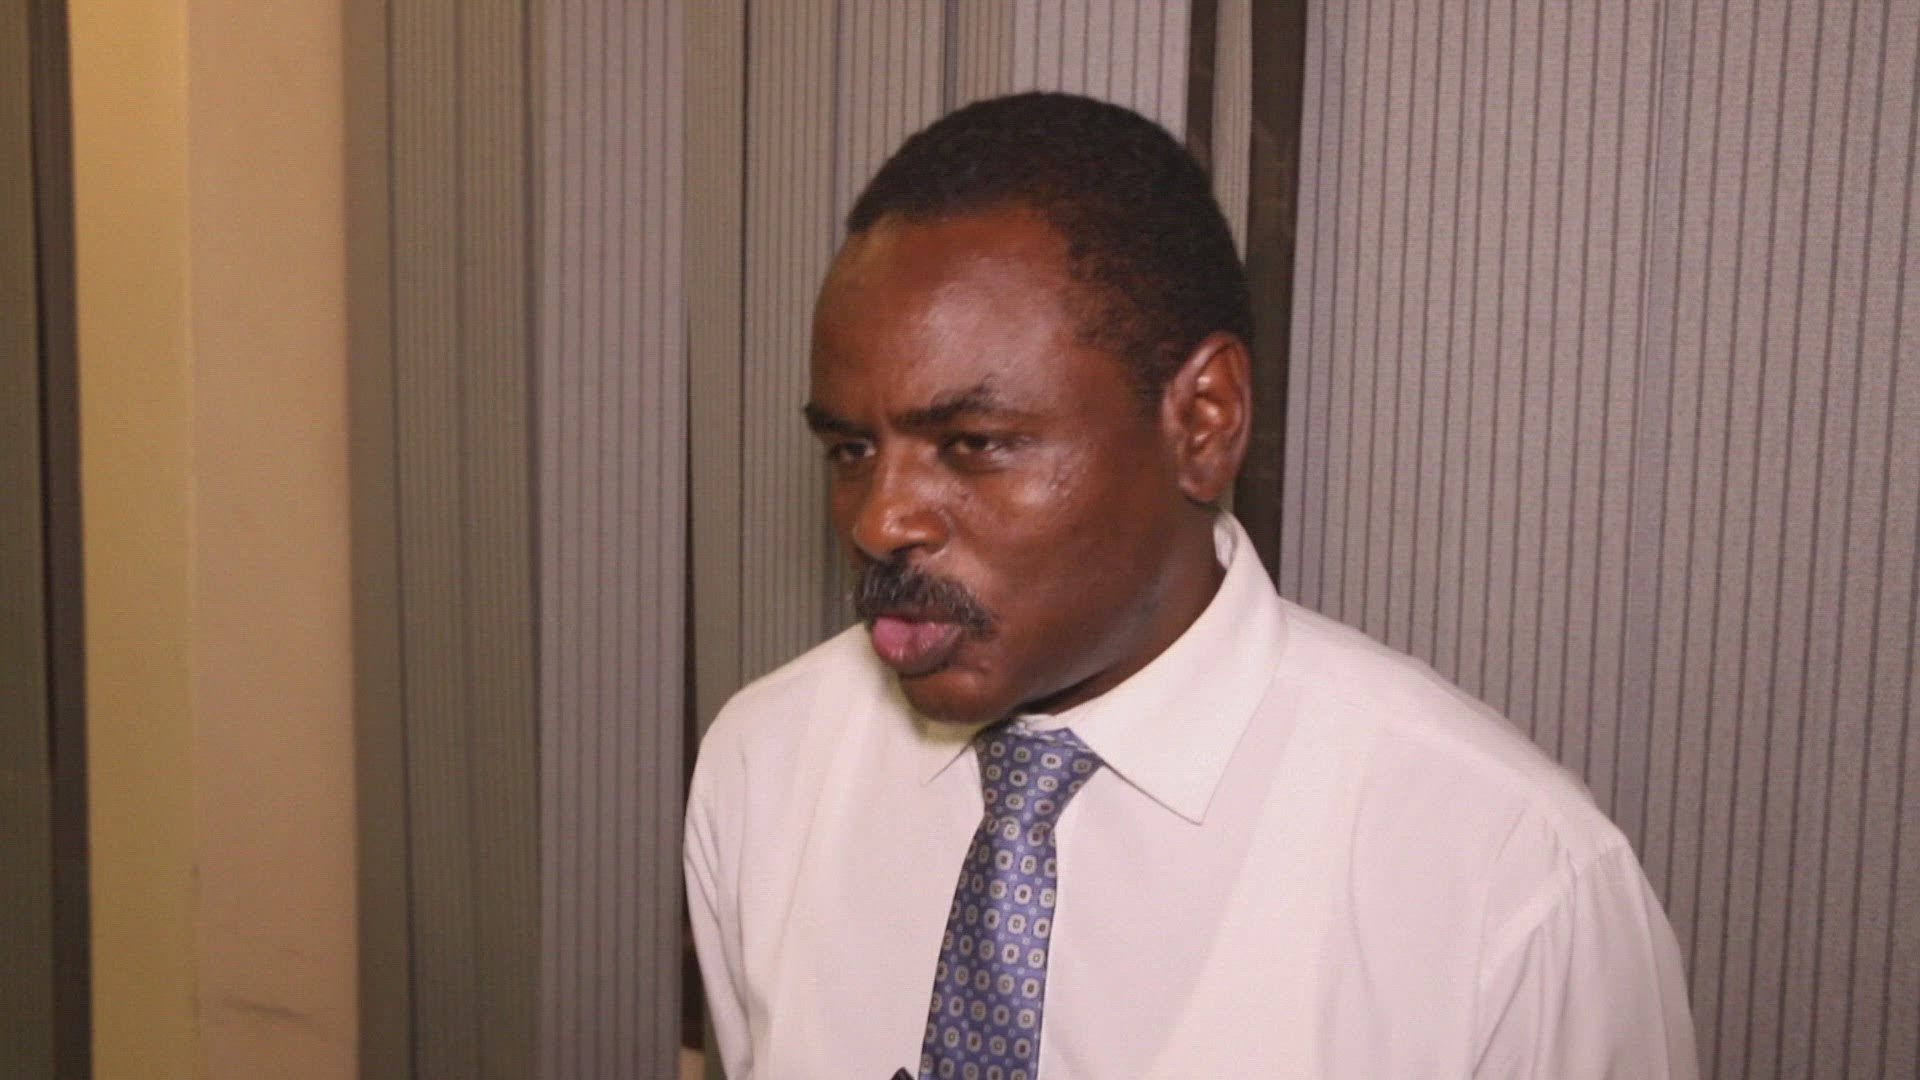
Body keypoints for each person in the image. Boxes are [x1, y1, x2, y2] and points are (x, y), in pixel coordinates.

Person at [684, 92, 1697, 1079]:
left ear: (1204, 421)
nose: (880, 522)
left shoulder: (1508, 883)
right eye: (851, 450)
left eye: (973, 443)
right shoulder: (765, 768)